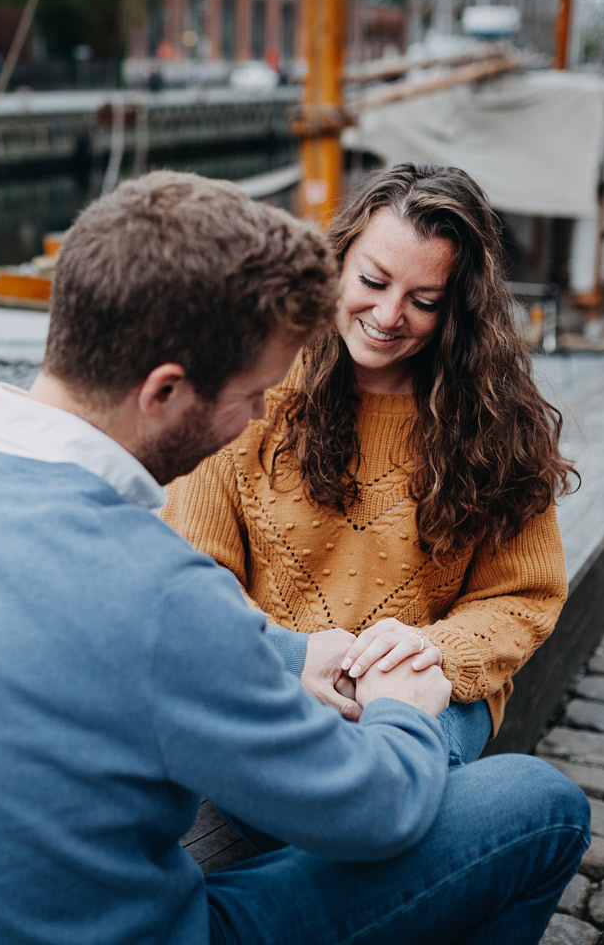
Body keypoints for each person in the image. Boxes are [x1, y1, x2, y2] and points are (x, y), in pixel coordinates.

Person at [0, 170, 588, 945]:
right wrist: (398, 706)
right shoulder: (157, 590)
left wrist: (292, 652)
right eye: (252, 394)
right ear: (164, 390)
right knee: (544, 806)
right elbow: (378, 810)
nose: (263, 414)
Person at [164, 162, 578, 765]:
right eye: (374, 281)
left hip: (430, 691)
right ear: (337, 260)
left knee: (380, 778)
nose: (388, 316)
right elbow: (194, 570)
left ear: (459, 309)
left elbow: (523, 593)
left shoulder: (495, 418)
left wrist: (432, 652)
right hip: (270, 673)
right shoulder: (247, 386)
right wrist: (287, 655)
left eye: (424, 300)